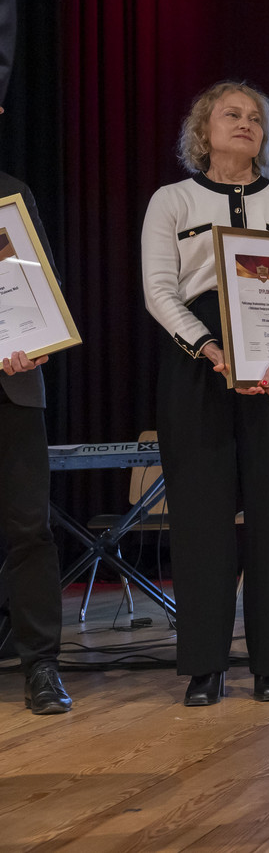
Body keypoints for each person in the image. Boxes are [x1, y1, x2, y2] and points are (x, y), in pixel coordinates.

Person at [140, 81, 269, 705]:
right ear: (203, 129)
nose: (246, 122)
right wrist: (207, 347)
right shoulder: (171, 200)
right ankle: (205, 664)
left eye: (256, 117)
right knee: (200, 518)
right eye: (231, 114)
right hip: (197, 365)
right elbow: (158, 290)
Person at [0, 173, 72, 715]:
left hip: (14, 386)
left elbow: (40, 282)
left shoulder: (11, 192)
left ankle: (41, 666)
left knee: (29, 527)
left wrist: (38, 334)